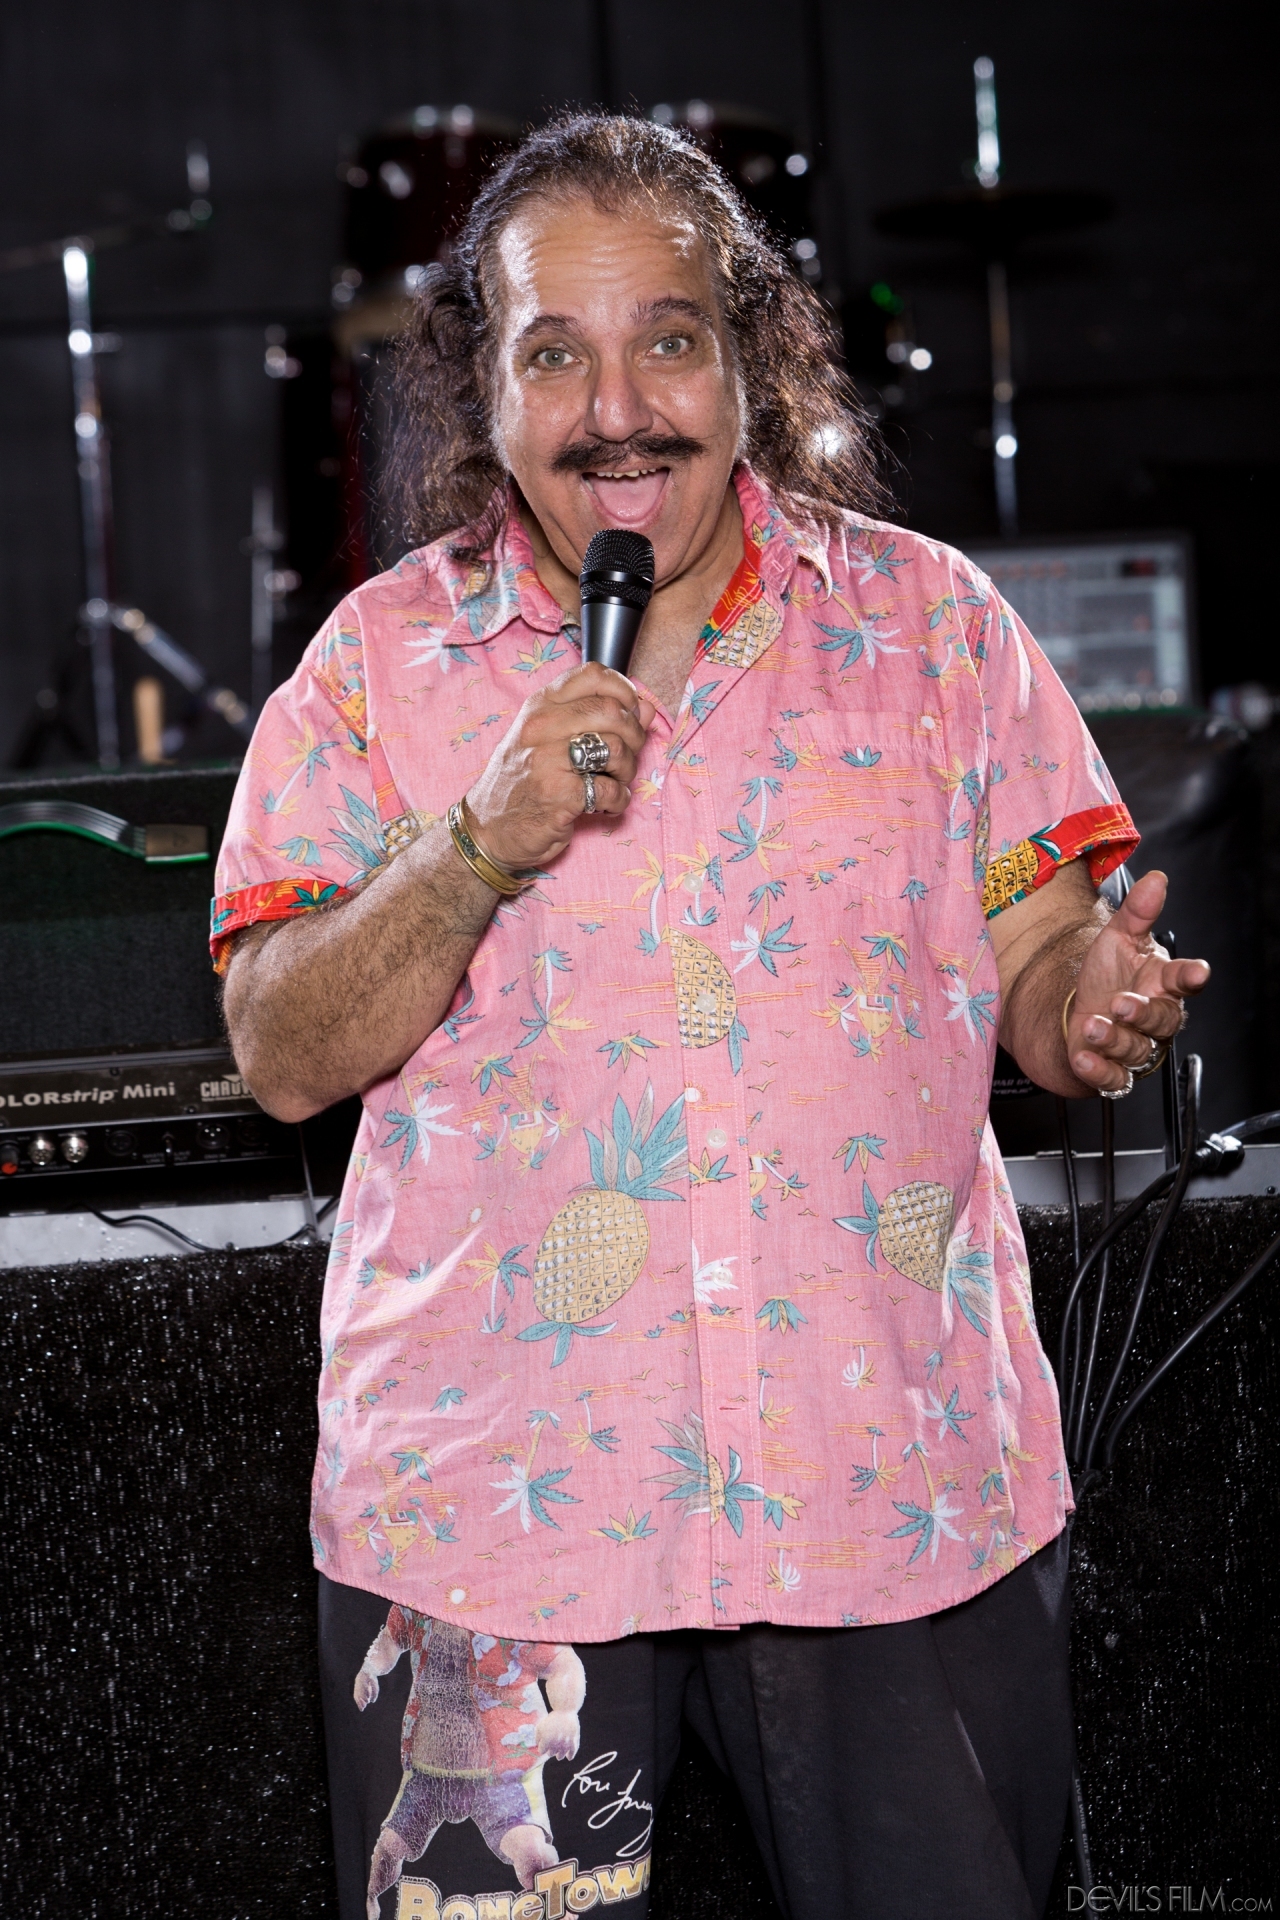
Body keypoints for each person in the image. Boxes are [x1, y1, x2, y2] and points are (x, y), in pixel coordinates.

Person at [213, 114, 1208, 1920]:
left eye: (668, 340)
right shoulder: (370, 672)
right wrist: (474, 845)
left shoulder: (936, 632)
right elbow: (279, 1051)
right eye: (554, 355)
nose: (619, 412)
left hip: (890, 1494)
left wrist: (1092, 1003)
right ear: (485, 390)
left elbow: (1045, 955)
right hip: (498, 1536)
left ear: (751, 354)